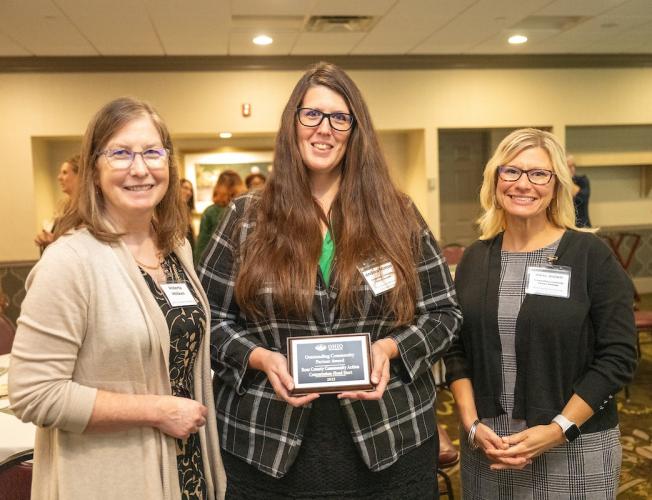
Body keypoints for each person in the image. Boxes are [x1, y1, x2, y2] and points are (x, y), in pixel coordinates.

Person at [198, 62, 462, 499]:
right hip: (268, 443)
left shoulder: (396, 214)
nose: (326, 129)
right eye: (312, 114)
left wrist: (389, 348)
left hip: (389, 438)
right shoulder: (245, 218)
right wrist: (261, 358)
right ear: (292, 122)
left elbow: (443, 314)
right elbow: (212, 320)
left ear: (356, 130)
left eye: (340, 118)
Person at [9, 97, 225, 499]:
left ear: (168, 163)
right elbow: (34, 393)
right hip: (110, 479)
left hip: (186, 472)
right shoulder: (69, 262)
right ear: (94, 169)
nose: (139, 168)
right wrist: (158, 410)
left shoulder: (176, 248)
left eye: (151, 152)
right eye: (121, 153)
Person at [444, 128, 637, 499]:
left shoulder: (589, 256)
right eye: (511, 171)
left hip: (573, 445)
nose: (523, 184)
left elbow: (618, 356)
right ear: (495, 179)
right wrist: (470, 423)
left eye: (538, 174)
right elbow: (456, 350)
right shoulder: (475, 259)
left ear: (557, 185)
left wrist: (557, 429)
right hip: (492, 447)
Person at [194, 170, 245, 264]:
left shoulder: (210, 211)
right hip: (241, 264)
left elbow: (202, 245)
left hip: (215, 264)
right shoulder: (245, 210)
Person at [34, 154, 80, 252]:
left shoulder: (87, 208)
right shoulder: (62, 205)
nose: (59, 177)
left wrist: (54, 241)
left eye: (65, 173)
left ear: (78, 176)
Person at [566, 154, 592, 227]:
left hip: (583, 225)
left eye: (574, 166)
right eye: (569, 166)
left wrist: (567, 178)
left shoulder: (582, 180)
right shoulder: (557, 182)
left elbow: (581, 198)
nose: (573, 169)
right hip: (566, 226)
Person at [180, 178, 196, 250]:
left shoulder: (187, 210)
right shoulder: (170, 210)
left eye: (190, 190)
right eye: (185, 188)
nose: (189, 192)